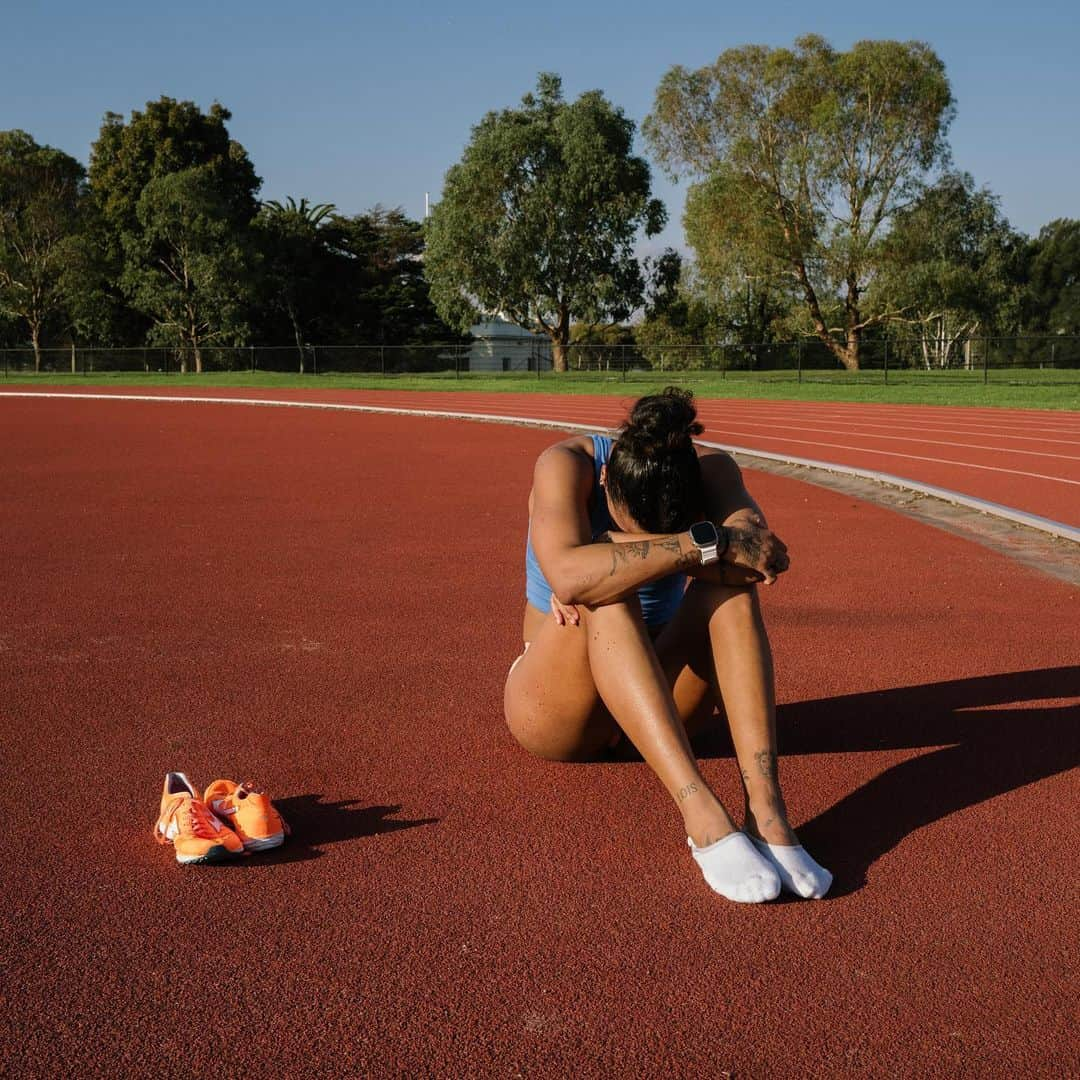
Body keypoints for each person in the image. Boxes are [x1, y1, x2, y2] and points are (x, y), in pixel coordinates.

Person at [503, 387, 831, 903]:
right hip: (559, 707)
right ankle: (701, 812)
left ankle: (767, 813)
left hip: (658, 696)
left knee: (733, 592)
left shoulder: (714, 471)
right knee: (604, 595)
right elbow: (569, 576)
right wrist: (706, 543)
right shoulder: (566, 465)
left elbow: (760, 557)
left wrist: (613, 552)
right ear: (607, 479)